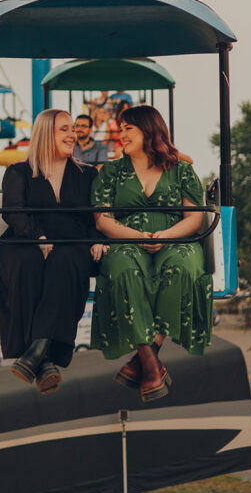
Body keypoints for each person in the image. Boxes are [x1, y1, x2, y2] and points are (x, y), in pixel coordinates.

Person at [90, 104, 212, 403]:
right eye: (121, 129)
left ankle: (145, 359)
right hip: (127, 238)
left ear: (148, 130)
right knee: (122, 269)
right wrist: (138, 236)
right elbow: (102, 219)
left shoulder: (180, 169)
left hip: (175, 237)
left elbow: (194, 216)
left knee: (183, 266)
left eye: (127, 129)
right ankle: (150, 364)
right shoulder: (112, 172)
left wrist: (165, 236)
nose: (121, 135)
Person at [0, 110, 108, 395]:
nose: (72, 135)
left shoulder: (85, 175)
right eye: (64, 130)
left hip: (72, 243)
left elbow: (92, 215)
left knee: (66, 262)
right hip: (26, 240)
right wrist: (38, 237)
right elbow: (14, 212)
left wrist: (97, 239)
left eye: (73, 129)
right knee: (26, 263)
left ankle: (36, 350)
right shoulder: (19, 172)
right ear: (46, 134)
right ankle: (43, 361)